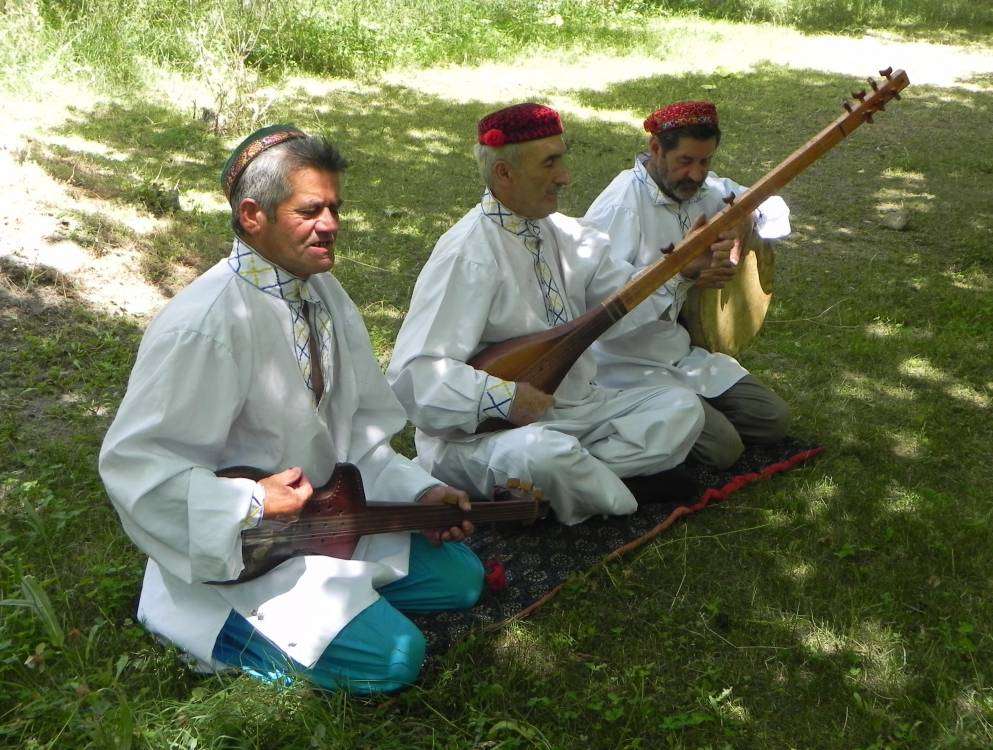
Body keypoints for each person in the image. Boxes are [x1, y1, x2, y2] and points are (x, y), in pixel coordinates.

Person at [99, 125, 483, 694]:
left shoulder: (323, 294)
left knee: (463, 581)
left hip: (327, 523)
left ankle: (346, 600)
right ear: (253, 215)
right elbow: (137, 469)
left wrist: (419, 492)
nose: (330, 225)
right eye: (310, 211)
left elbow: (356, 436)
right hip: (246, 553)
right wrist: (253, 500)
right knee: (397, 660)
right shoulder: (204, 326)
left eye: (334, 208)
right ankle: (194, 622)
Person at [387, 103, 706, 527]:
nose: (566, 176)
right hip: (488, 437)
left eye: (563, 158)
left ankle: (568, 489)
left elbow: (627, 304)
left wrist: (679, 269)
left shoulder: (564, 234)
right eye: (550, 162)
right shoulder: (469, 254)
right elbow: (415, 375)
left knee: (680, 409)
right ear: (504, 173)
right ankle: (624, 495)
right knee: (543, 454)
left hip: (577, 410)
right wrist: (505, 398)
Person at [584, 100, 792, 469]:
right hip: (621, 366)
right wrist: (683, 277)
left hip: (680, 353)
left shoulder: (704, 190)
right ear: (655, 149)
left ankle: (693, 414)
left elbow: (773, 208)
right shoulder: (619, 209)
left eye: (705, 162)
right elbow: (599, 319)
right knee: (722, 450)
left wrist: (746, 219)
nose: (695, 175)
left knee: (773, 421)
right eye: (685, 161)